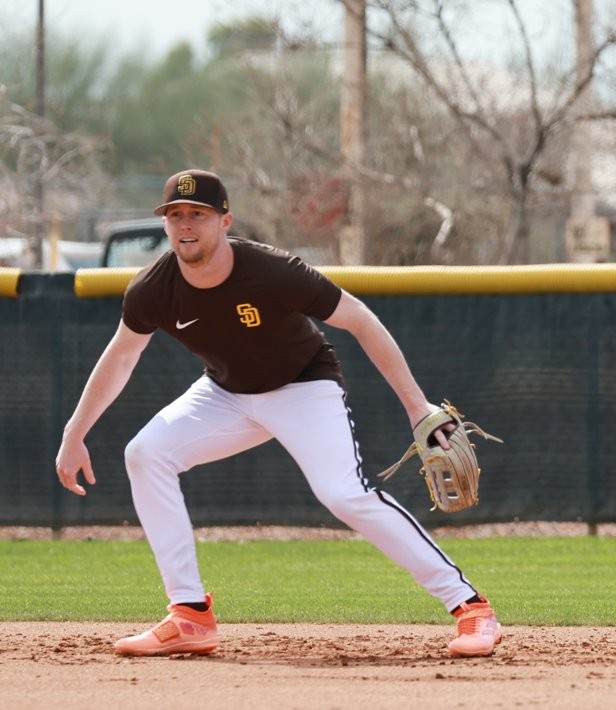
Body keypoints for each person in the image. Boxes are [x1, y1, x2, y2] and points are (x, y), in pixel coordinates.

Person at [55, 169, 501, 658]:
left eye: (198, 214)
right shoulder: (153, 288)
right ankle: (190, 616)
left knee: (343, 494)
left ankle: (471, 608)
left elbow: (361, 320)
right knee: (145, 454)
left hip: (302, 387)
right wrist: (75, 432)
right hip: (225, 394)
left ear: (224, 220)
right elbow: (120, 356)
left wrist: (417, 406)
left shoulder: (272, 271)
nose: (186, 224)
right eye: (175, 215)